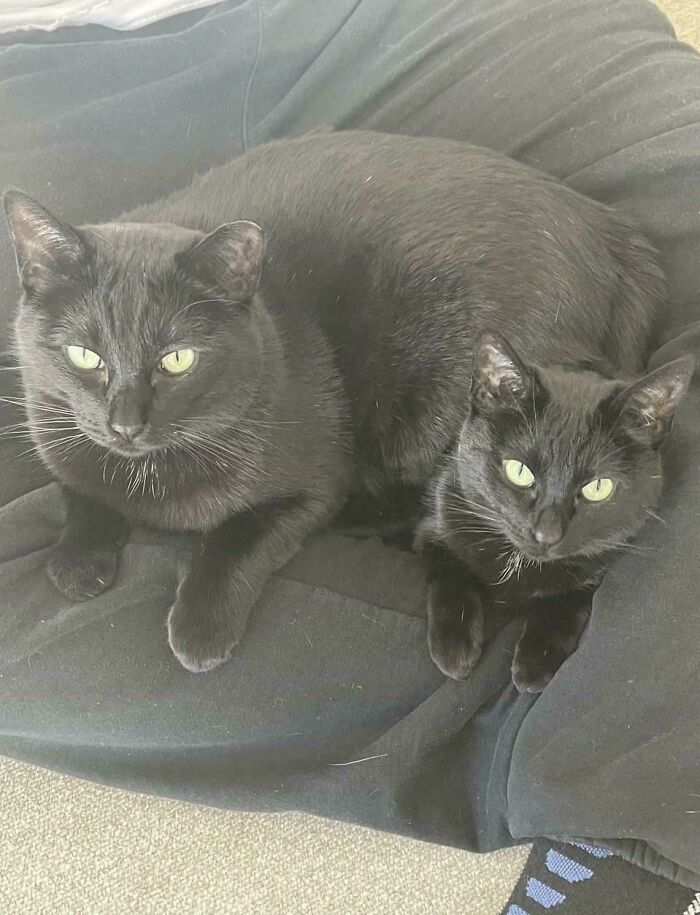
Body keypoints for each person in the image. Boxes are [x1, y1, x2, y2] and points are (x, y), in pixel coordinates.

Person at [1, 0, 699, 905]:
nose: (124, 421)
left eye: (166, 372)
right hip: (65, 91)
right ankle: (572, 738)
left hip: (376, 79)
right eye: (91, 370)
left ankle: (617, 779)